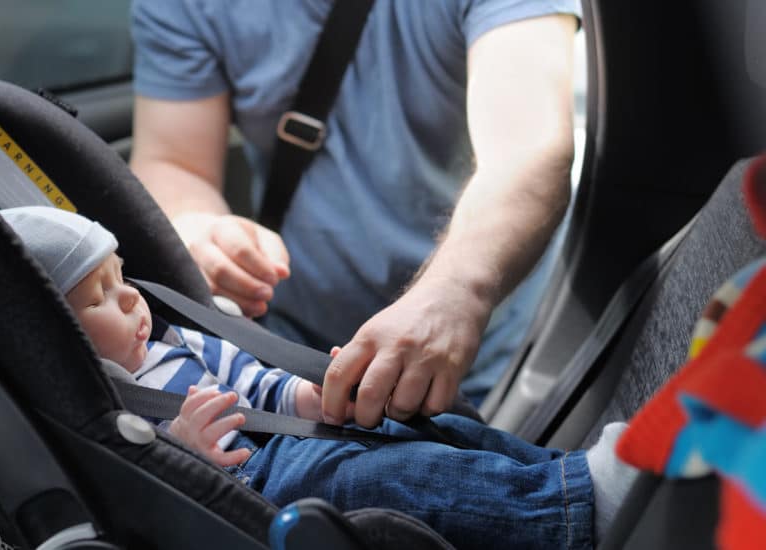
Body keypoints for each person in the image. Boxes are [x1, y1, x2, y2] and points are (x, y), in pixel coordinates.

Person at [0, 206, 636, 549]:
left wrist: (310, 394)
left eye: (122, 279)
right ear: (61, 334)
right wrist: (189, 448)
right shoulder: (105, 401)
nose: (132, 300)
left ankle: (563, 475)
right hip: (253, 476)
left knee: (430, 426)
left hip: (291, 433)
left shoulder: (176, 339)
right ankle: (574, 512)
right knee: (389, 477)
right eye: (98, 299)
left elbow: (252, 380)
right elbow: (144, 475)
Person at [128, 0, 581, 422]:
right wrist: (197, 226)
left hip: (486, 347)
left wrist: (456, 293)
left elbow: (529, 149)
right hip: (295, 347)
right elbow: (173, 160)